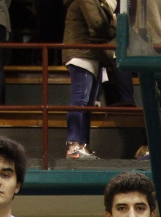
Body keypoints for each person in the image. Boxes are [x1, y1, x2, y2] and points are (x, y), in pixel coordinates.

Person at [62, 0, 118, 159]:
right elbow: (98, 24)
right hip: (81, 54)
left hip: (90, 55)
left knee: (86, 105)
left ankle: (83, 145)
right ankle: (74, 146)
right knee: (80, 101)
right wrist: (113, 24)